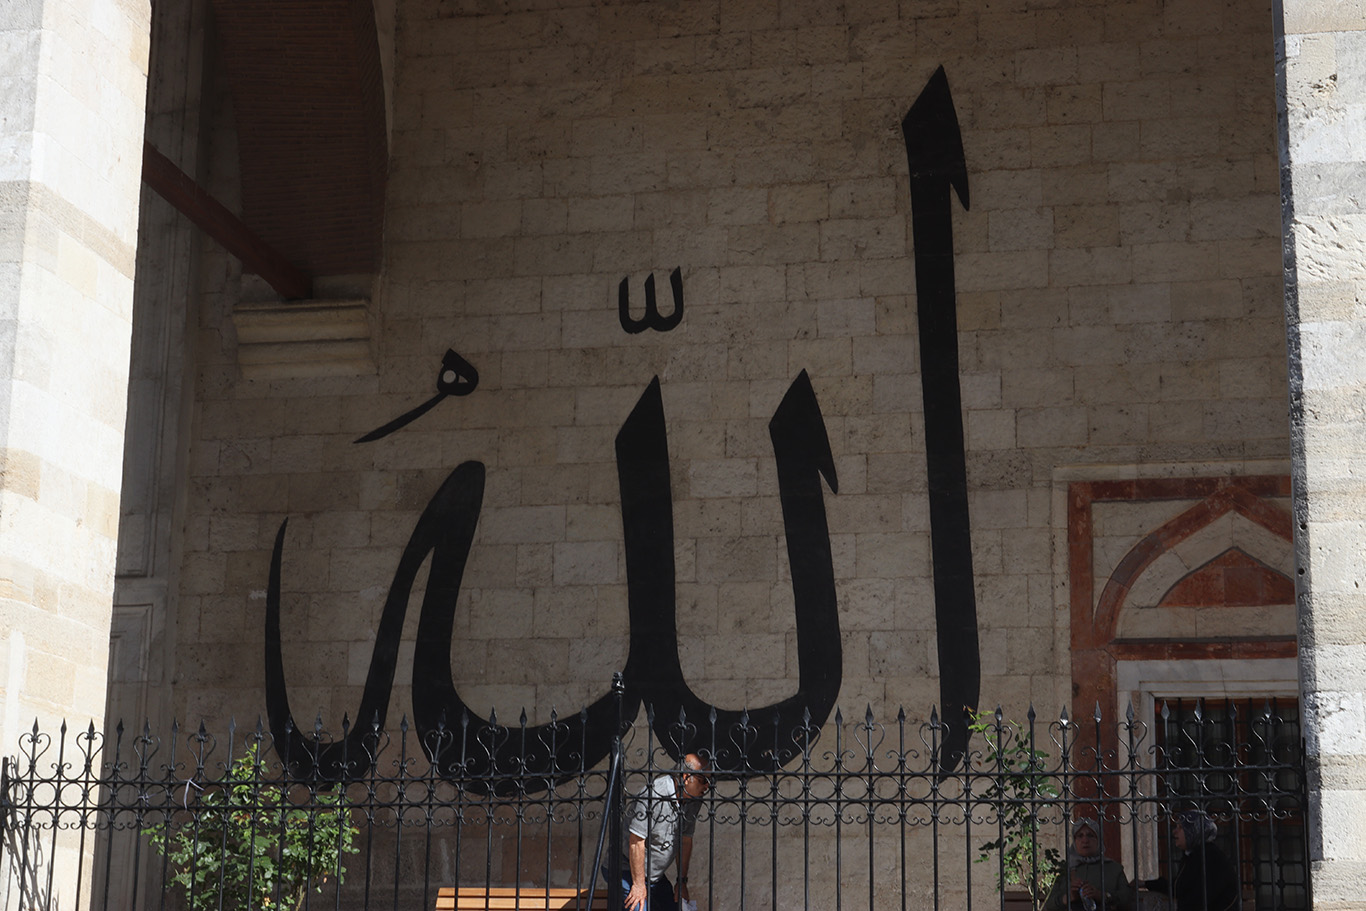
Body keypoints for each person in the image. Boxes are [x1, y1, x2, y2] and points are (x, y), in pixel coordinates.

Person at [620, 753, 711, 911]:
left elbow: (685, 840)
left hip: (654, 876)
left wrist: (681, 882)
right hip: (626, 868)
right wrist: (639, 885)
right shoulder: (654, 794)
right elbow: (636, 841)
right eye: (704, 780)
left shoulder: (693, 799)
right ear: (686, 777)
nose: (707, 787)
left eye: (711, 782)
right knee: (639, 907)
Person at [1141, 810, 1240, 911]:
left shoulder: (1211, 857)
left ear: (1194, 831)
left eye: (1180, 827)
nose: (1174, 831)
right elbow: (1180, 886)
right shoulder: (1193, 855)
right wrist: (1147, 884)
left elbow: (1200, 897)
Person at [1043, 817, 1135, 911]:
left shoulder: (1114, 868)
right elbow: (1048, 904)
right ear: (1074, 841)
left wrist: (1102, 896)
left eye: (1090, 835)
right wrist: (1068, 897)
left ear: (1098, 840)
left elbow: (1126, 899)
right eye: (1080, 836)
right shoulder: (1063, 871)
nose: (1085, 840)